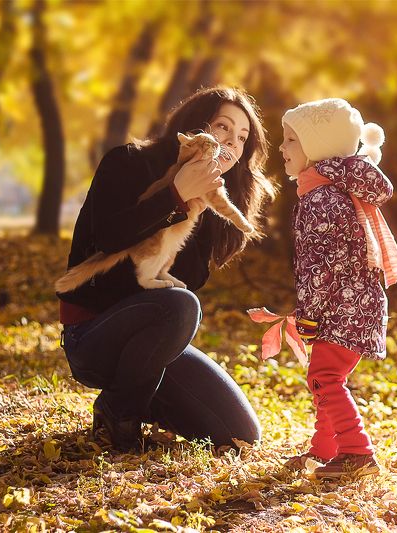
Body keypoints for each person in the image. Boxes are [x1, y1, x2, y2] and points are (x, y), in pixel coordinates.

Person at [57, 87, 276, 452]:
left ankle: (144, 396)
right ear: (196, 126)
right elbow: (107, 239)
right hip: (92, 334)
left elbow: (190, 280)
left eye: (241, 138)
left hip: (153, 344)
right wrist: (172, 195)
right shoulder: (127, 162)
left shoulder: (213, 196)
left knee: (240, 435)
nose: (231, 144)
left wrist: (194, 207)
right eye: (223, 127)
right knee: (181, 305)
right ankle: (118, 412)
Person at [278, 98, 397, 479]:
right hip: (353, 307)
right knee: (323, 376)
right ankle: (324, 448)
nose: (282, 149)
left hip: (342, 309)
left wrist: (309, 316)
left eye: (290, 140)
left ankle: (357, 451)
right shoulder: (328, 191)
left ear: (316, 147)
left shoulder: (321, 198)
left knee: (325, 378)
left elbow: (320, 267)